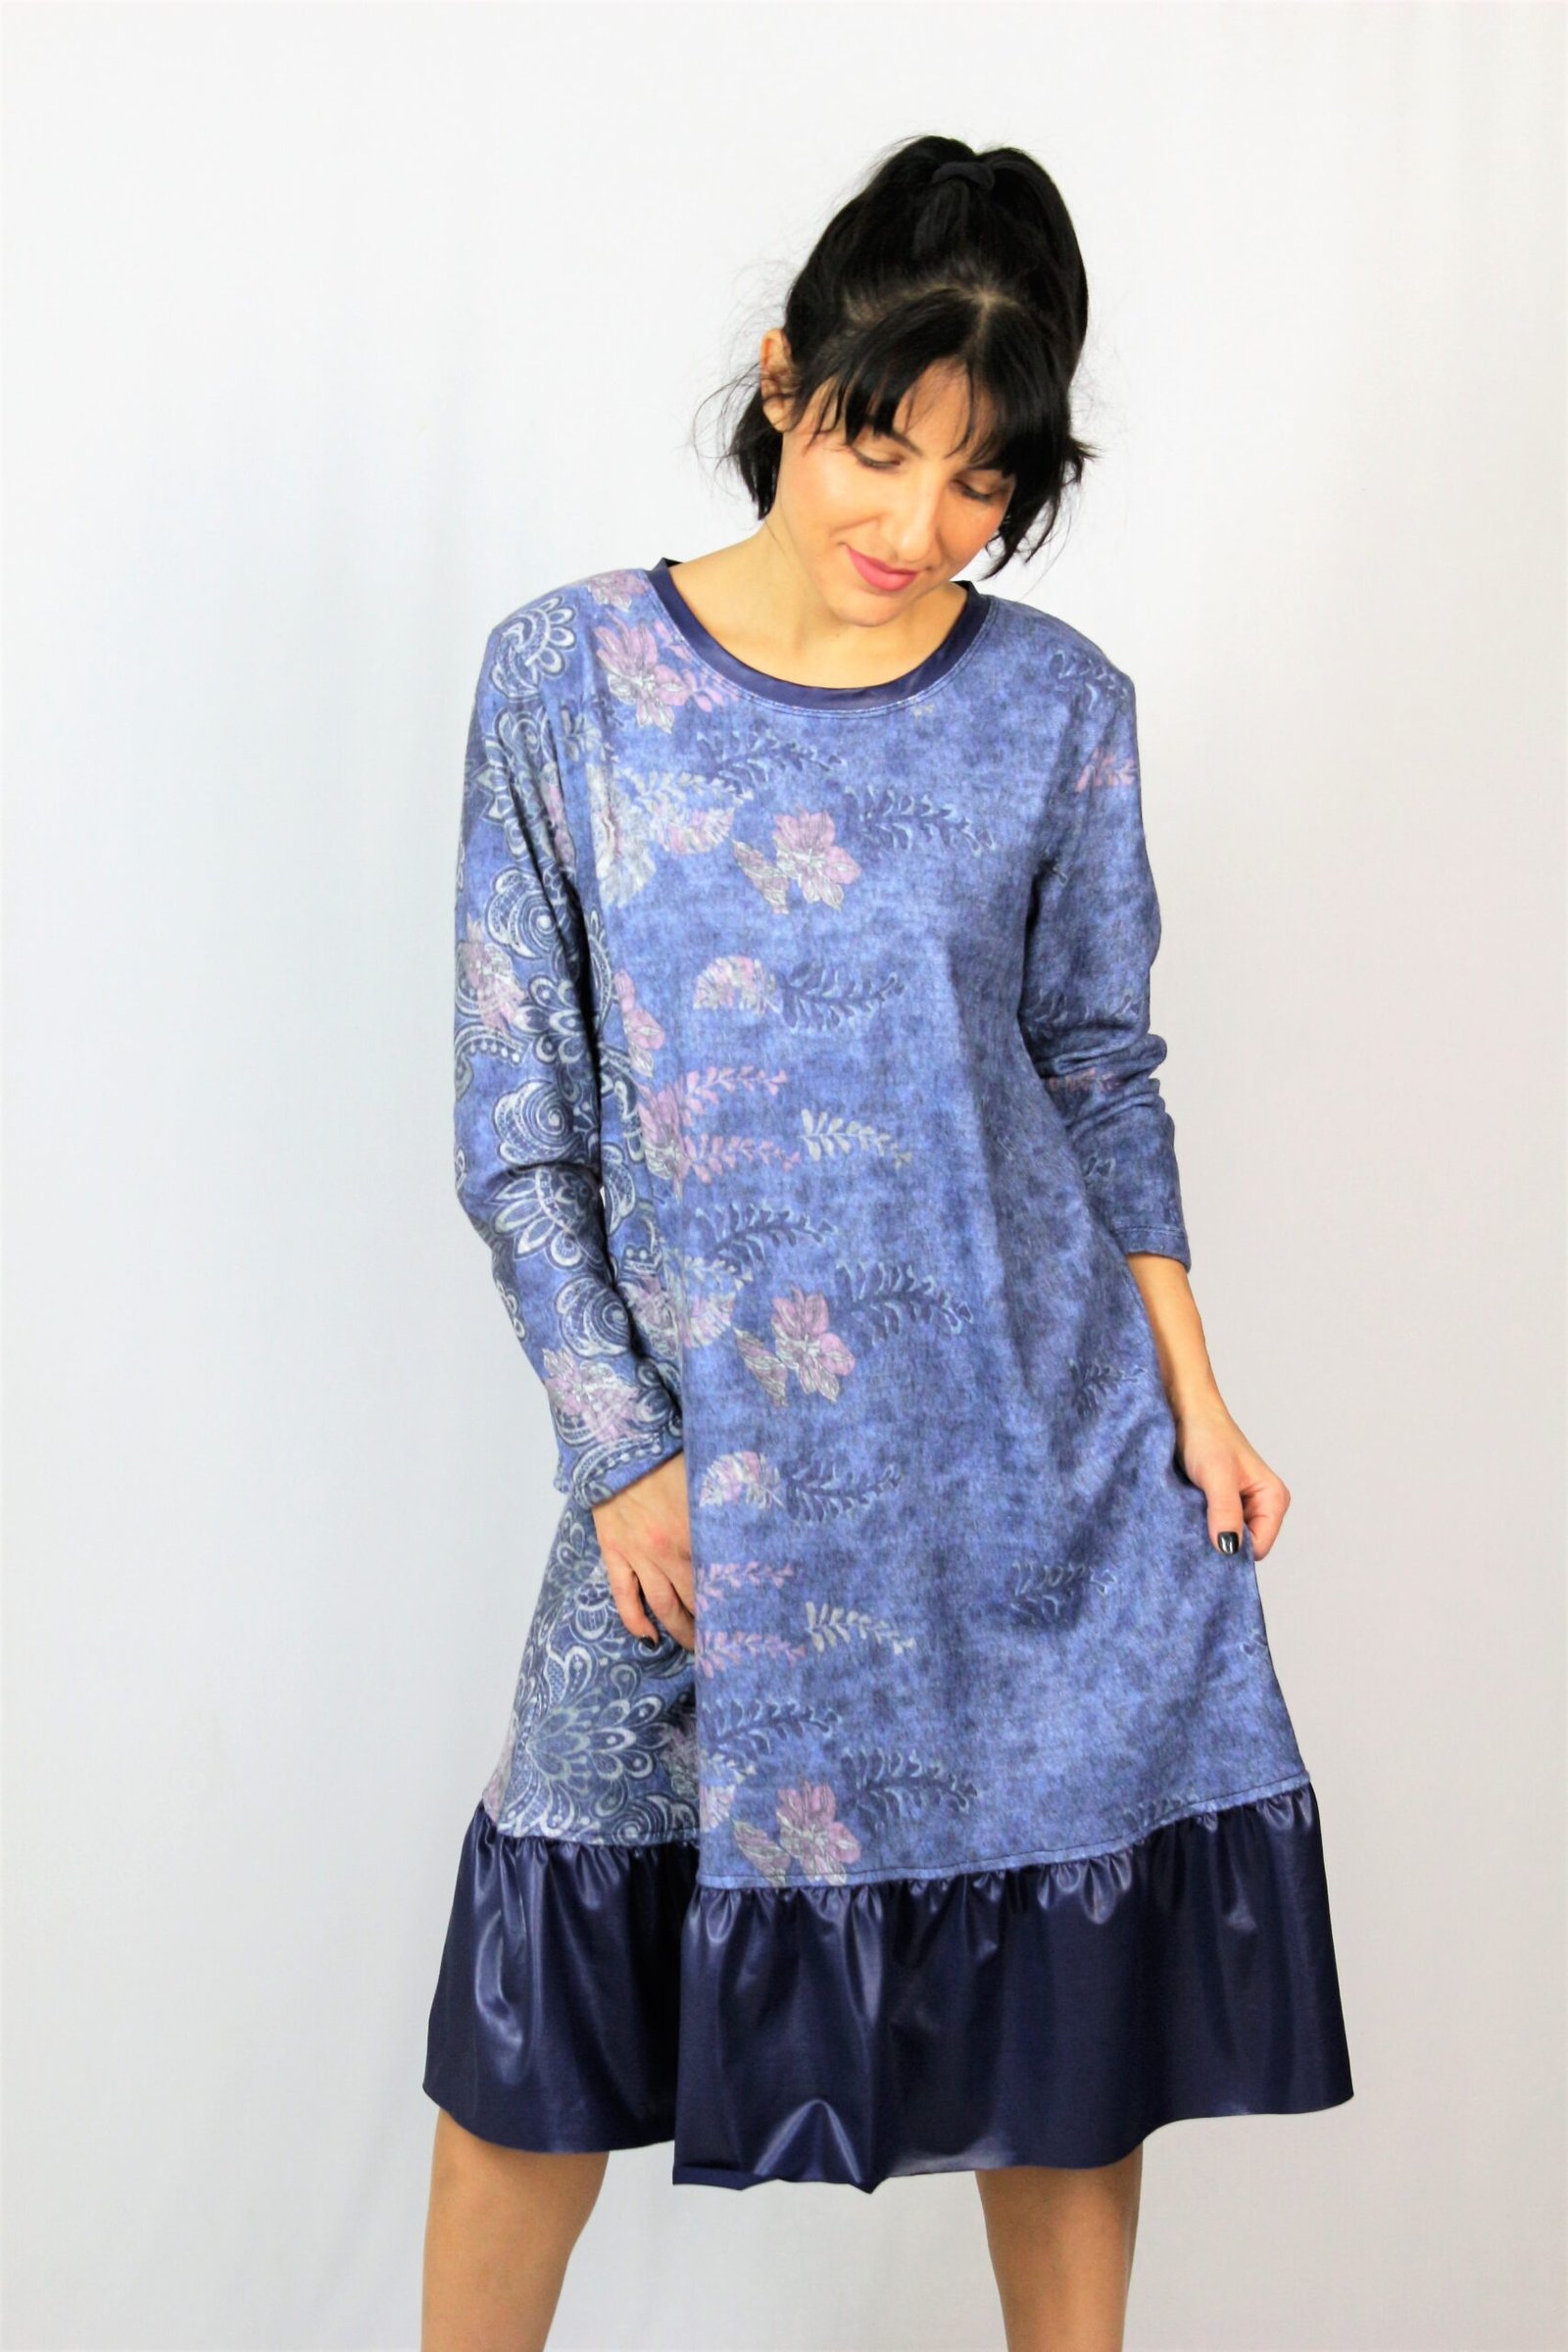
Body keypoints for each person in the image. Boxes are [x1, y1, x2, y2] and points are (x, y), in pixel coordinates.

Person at [419, 132, 1353, 2352]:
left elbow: (1097, 1073)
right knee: (543, 2012)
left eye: (980, 480)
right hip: (705, 1491)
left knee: (1067, 2016)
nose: (915, 525)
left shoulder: (1058, 708)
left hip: (1025, 1474)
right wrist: (619, 1446)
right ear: (785, 379)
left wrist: (1200, 1406)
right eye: (877, 443)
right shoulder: (568, 683)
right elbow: (518, 1125)